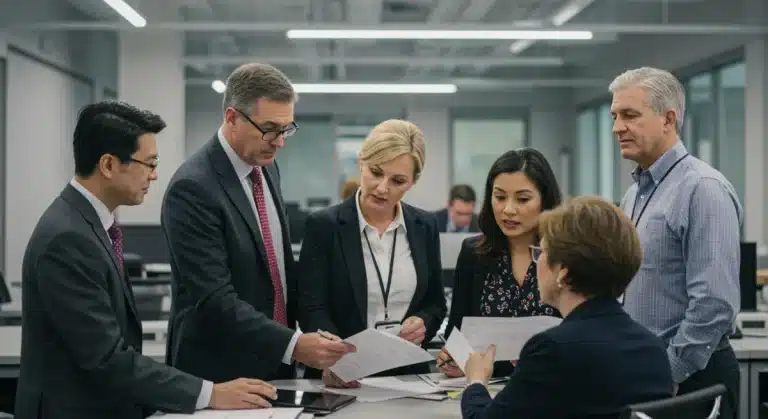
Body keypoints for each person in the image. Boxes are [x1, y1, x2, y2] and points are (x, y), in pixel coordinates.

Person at [15, 101, 280, 419]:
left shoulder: (88, 225)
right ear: (109, 165)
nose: (155, 176)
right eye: (149, 164)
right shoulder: (67, 240)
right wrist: (211, 393)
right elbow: (107, 358)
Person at [161, 63, 355, 384]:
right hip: (220, 372)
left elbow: (277, 271)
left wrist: (316, 341)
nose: (279, 142)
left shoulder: (265, 168)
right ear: (232, 117)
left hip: (275, 364)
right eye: (269, 128)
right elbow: (214, 299)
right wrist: (293, 345)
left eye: (287, 129)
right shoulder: (193, 188)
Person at [461, 196, 675, 419]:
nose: (537, 261)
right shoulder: (653, 349)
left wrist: (476, 381)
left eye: (541, 252)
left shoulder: (552, 349)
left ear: (563, 271)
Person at [612, 67, 742, 418]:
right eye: (614, 116)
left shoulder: (702, 189)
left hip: (690, 380)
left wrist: (670, 370)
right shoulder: (634, 194)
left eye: (630, 115)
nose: (617, 127)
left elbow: (714, 303)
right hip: (648, 375)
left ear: (668, 118)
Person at [297, 119, 447, 387]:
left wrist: (423, 323)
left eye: (397, 180)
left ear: (412, 182)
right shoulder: (324, 225)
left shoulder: (425, 226)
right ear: (361, 163)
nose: (382, 188)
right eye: (376, 172)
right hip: (341, 374)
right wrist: (333, 358)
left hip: (407, 375)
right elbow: (311, 307)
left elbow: (435, 302)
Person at [436, 149, 562, 378]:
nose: (508, 210)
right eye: (500, 197)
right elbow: (457, 335)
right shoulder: (473, 254)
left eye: (523, 199)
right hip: (487, 390)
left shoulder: (563, 255)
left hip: (551, 389)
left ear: (545, 200)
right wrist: (454, 359)